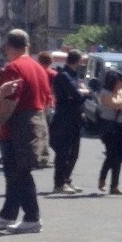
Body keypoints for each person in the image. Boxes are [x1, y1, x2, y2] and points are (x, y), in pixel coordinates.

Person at [0, 29, 52, 233]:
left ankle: (32, 217)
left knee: (18, 174)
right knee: (15, 173)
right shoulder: (39, 68)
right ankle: (8, 214)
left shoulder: (14, 67)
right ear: (28, 45)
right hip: (35, 123)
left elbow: (10, 100)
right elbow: (47, 102)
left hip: (15, 127)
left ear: (9, 47)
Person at [49, 49, 88, 195]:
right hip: (64, 119)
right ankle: (59, 184)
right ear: (76, 61)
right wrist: (83, 93)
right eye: (81, 61)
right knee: (63, 153)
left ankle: (66, 180)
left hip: (76, 119)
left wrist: (82, 93)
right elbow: (77, 95)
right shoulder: (64, 75)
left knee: (74, 153)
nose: (82, 64)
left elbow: (77, 95)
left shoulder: (74, 75)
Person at [96, 70, 122, 195]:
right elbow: (116, 105)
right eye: (119, 81)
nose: (121, 83)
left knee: (119, 157)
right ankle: (102, 178)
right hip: (110, 128)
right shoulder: (105, 94)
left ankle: (114, 186)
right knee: (111, 155)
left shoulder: (121, 93)